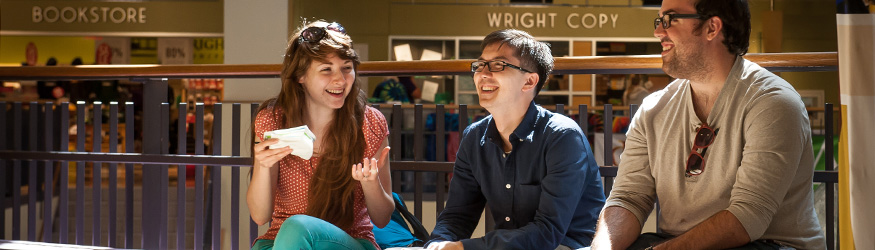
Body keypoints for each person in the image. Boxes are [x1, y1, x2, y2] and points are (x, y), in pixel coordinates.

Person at [591, 0, 826, 249]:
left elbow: (748, 215)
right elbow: (629, 198)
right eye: (658, 20)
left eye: (670, 19)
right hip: (676, 242)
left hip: (769, 244)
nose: (658, 31)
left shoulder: (774, 102)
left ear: (712, 27)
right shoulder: (652, 109)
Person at [426, 29, 605, 250]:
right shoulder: (474, 137)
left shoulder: (562, 136)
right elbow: (457, 216)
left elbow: (548, 232)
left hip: (568, 246)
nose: (483, 73)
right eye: (480, 65)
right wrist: (435, 245)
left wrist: (462, 248)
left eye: (498, 65)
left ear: (529, 81)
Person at [248, 20, 393, 250]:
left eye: (347, 67)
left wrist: (371, 183)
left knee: (298, 227)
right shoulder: (272, 120)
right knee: (284, 235)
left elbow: (383, 218)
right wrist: (264, 166)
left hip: (350, 241)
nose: (340, 80)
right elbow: (259, 215)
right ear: (300, 76)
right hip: (279, 241)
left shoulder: (370, 123)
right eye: (326, 69)